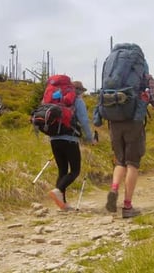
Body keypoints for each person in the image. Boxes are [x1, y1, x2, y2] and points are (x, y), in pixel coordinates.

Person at [105, 74, 154, 218]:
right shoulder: (145, 76)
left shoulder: (112, 74)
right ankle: (127, 206)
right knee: (132, 163)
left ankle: (114, 189)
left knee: (120, 160)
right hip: (134, 122)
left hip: (114, 121)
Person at [48, 80, 95, 211]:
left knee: (62, 170)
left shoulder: (56, 100)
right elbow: (84, 121)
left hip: (54, 139)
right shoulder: (78, 101)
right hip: (70, 139)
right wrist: (90, 138)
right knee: (75, 170)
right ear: (79, 91)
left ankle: (62, 203)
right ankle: (57, 191)